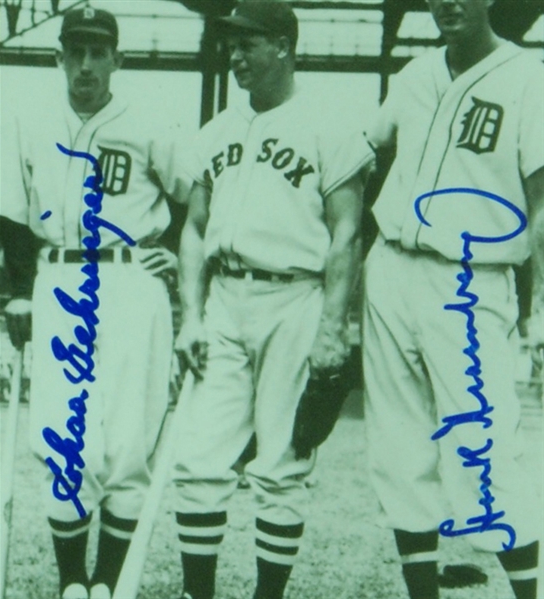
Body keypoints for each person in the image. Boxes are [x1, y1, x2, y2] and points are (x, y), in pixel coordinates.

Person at [172, 3, 374, 598]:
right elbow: (192, 228)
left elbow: (347, 234)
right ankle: (198, 593)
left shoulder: (330, 125)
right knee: (199, 459)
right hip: (226, 298)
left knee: (282, 465)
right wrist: (190, 317)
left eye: (249, 44)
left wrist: (333, 328)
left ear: (284, 46)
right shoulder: (216, 132)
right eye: (231, 45)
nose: (235, 57)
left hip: (296, 297)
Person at [0, 7, 187, 599]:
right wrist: (17, 295)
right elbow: (11, 216)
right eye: (75, 51)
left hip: (130, 279)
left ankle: (108, 583)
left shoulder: (151, 118)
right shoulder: (29, 118)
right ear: (59, 57)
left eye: (98, 52)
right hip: (56, 278)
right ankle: (73, 583)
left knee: (129, 439)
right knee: (62, 439)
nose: (86, 64)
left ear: (117, 59)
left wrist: (175, 252)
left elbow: (194, 195)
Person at [362, 0, 544, 598]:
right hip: (391, 265)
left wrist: (535, 302)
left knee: (483, 450)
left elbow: (542, 205)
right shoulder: (415, 74)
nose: (450, 3)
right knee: (399, 447)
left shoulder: (529, 77)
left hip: (469, 277)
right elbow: (364, 150)